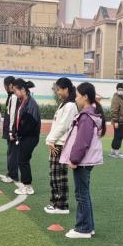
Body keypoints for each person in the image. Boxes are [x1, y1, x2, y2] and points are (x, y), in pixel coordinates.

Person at [61, 82, 105, 238]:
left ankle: (83, 228)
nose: (75, 99)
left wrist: (74, 159)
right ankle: (88, 226)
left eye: (78, 96)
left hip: (82, 161)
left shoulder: (86, 116)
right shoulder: (90, 113)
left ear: (85, 97)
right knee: (83, 193)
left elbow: (82, 141)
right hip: (85, 160)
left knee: (81, 194)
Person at [45, 77, 78, 214]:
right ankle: (55, 202)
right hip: (56, 143)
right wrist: (50, 140)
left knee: (59, 175)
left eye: (59, 90)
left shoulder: (70, 105)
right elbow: (57, 125)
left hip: (60, 144)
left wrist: (50, 139)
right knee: (54, 174)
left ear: (66, 89)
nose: (58, 92)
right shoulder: (64, 104)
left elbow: (63, 126)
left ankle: (62, 205)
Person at [9, 79, 41, 195]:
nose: (14, 93)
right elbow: (19, 119)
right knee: (21, 160)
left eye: (15, 90)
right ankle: (26, 184)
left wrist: (19, 134)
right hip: (24, 136)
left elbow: (30, 124)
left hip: (30, 137)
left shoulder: (31, 103)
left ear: (22, 89)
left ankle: (28, 186)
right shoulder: (23, 101)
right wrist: (15, 132)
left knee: (23, 160)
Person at [2, 75, 18, 184]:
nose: (4, 88)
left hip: (13, 130)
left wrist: (11, 131)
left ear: (10, 85)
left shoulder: (14, 97)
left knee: (13, 153)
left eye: (5, 86)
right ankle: (11, 174)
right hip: (10, 129)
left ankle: (13, 175)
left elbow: (13, 115)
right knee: (10, 152)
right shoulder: (11, 96)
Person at [109, 82, 123, 159]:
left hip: (122, 120)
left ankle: (113, 151)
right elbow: (113, 110)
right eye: (119, 89)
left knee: (119, 136)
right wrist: (115, 121)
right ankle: (116, 151)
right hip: (118, 120)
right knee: (118, 136)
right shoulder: (116, 98)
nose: (120, 91)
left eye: (122, 89)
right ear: (117, 89)